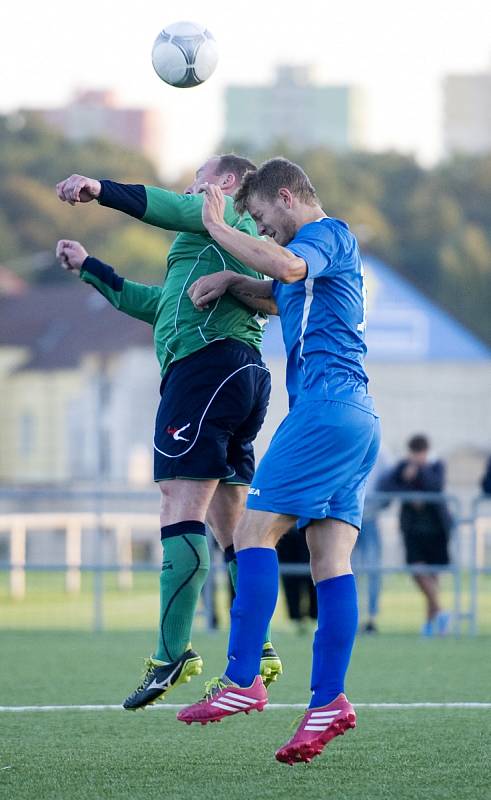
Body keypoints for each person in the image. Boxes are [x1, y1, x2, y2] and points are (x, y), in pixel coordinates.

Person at [55, 155, 282, 709]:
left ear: (226, 182)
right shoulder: (212, 245)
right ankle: (261, 650)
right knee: (231, 525)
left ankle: (170, 653)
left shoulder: (217, 212)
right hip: (241, 373)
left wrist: (98, 187)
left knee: (179, 505)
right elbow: (155, 304)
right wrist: (90, 266)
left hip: (205, 368)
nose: (190, 185)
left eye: (199, 175)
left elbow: (166, 205)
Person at [177, 158, 381, 766]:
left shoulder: (325, 233)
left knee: (251, 531)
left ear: (287, 198)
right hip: (357, 418)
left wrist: (219, 228)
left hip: (323, 409)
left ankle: (243, 679)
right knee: (329, 561)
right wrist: (236, 284)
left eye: (262, 218)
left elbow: (289, 266)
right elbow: (283, 289)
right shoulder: (316, 258)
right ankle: (328, 704)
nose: (261, 231)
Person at [380, 434, 452, 636]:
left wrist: (421, 469)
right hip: (412, 530)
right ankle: (441, 612)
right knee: (417, 571)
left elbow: (436, 486)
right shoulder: (404, 465)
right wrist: (406, 482)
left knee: (434, 576)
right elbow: (387, 485)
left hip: (437, 530)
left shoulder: (436, 465)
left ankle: (430, 625)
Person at [352, 450, 390, 634]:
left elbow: (388, 483)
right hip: (346, 516)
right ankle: (351, 617)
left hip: (369, 518)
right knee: (346, 569)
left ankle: (371, 618)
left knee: (373, 569)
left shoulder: (382, 450)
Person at [277, 526, 317, 632]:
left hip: (309, 524)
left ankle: (314, 617)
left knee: (314, 574)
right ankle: (295, 619)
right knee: (289, 578)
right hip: (286, 528)